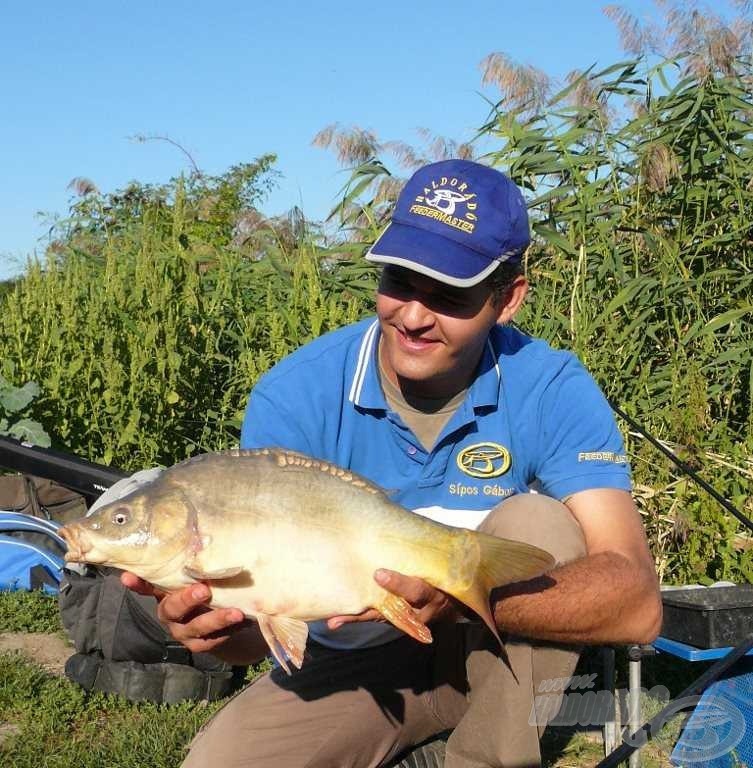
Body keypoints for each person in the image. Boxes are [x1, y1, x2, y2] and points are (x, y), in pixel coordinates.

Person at [123, 159, 662, 768]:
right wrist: (217, 633)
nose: (411, 315)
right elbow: (257, 634)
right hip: (356, 660)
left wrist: (460, 597)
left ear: (506, 299)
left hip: (492, 651)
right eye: (399, 281)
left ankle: (484, 755)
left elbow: (637, 603)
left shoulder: (551, 386)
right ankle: (417, 737)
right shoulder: (296, 394)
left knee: (538, 522)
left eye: (449, 294)